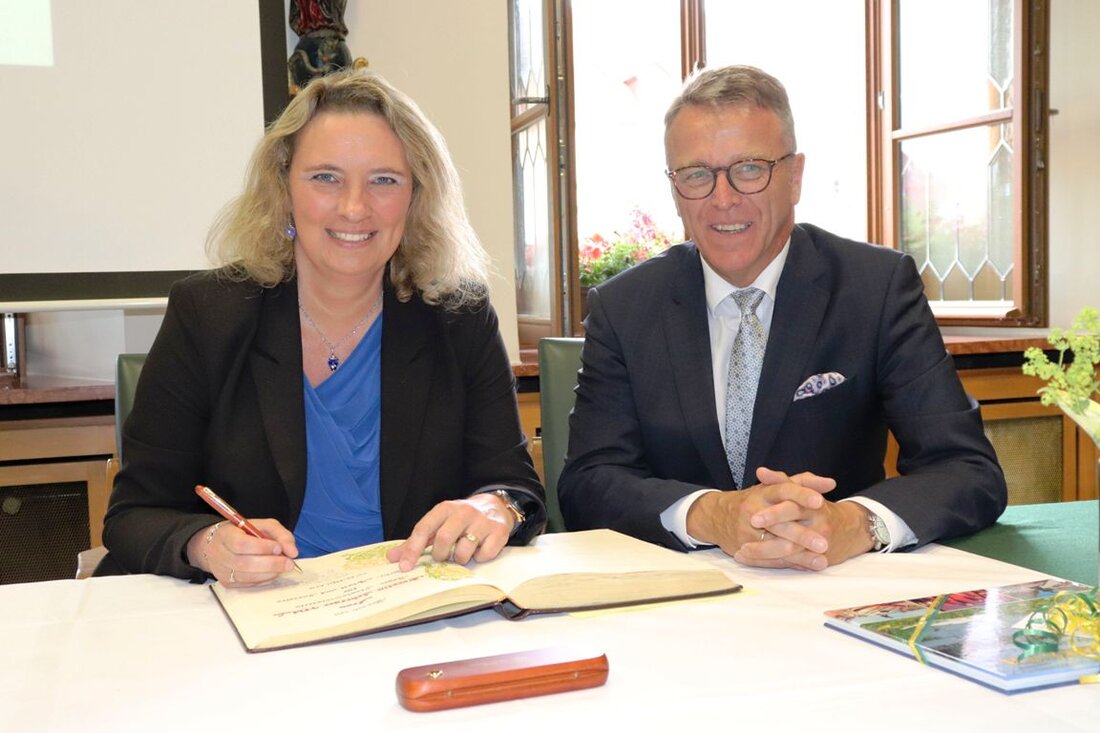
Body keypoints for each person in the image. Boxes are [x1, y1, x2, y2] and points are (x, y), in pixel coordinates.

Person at [100, 69, 546, 585]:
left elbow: (516, 486)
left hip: (408, 614)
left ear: (416, 196)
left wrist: (495, 507)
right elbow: (133, 515)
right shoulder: (207, 313)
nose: (354, 208)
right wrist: (206, 545)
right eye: (325, 177)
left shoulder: (459, 317)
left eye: (384, 180)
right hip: (246, 621)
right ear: (284, 188)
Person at [558, 65, 1006, 571]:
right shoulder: (625, 307)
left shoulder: (874, 289)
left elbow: (967, 470)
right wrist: (711, 514)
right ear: (675, 189)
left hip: (833, 586)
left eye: (749, 168)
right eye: (696, 175)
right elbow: (588, 482)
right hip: (677, 602)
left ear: (794, 176)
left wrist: (857, 524)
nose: (722, 199)